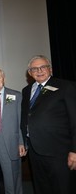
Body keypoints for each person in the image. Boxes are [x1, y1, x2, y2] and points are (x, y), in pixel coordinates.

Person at [21, 55, 76, 194]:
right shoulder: (26, 90)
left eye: (43, 67)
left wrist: (74, 150)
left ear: (50, 69)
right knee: (41, 187)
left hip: (59, 151)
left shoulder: (66, 86)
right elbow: (26, 117)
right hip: (34, 150)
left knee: (62, 188)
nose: (39, 71)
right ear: (30, 72)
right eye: (34, 68)